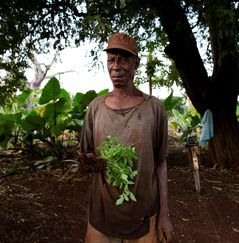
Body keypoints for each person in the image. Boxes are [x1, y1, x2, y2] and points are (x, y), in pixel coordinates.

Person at [79, 32, 173, 242]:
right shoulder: (95, 107)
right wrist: (93, 163)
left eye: (123, 59)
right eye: (111, 60)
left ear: (136, 63)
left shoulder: (154, 108)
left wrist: (164, 213)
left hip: (144, 212)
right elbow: (87, 155)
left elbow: (160, 163)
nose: (116, 66)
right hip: (102, 212)